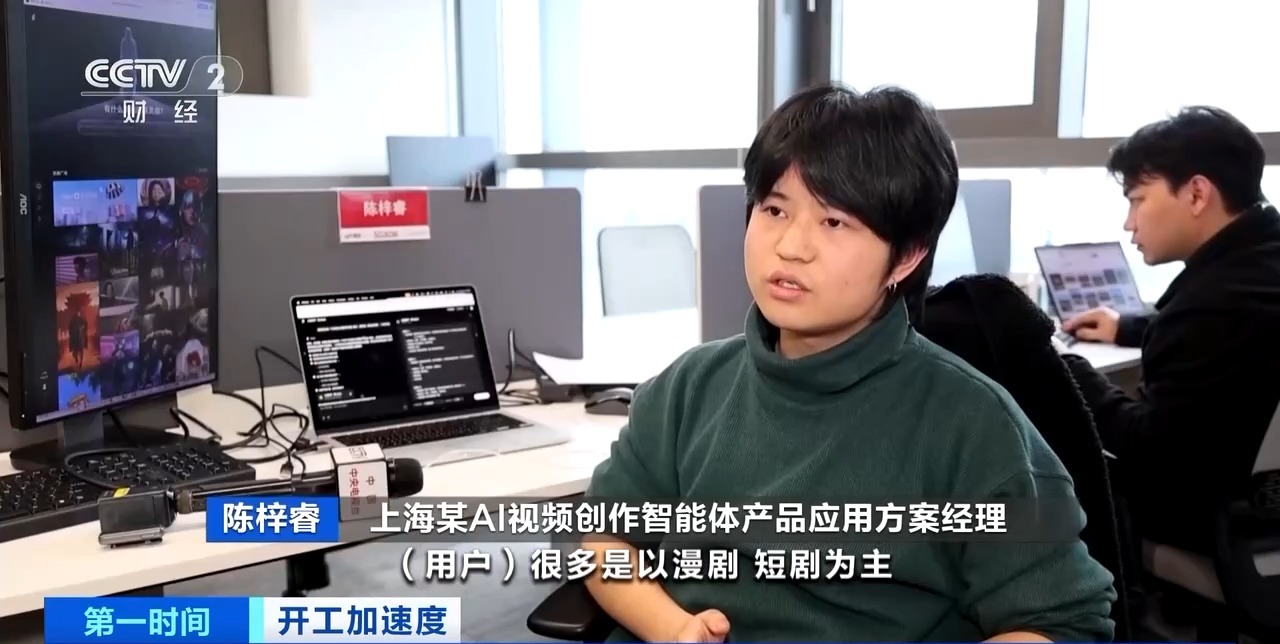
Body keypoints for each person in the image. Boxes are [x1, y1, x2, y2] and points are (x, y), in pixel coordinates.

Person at [582, 83, 1116, 643]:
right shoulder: (689, 387)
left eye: (833, 222)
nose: (791, 246)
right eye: (774, 210)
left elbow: (1062, 623)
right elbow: (601, 536)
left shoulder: (972, 424)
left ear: (906, 256)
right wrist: (673, 628)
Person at [1058, 106, 1280, 554]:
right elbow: (1222, 337)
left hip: (1210, 525)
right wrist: (1128, 328)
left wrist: (1069, 369)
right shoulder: (1257, 269)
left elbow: (1146, 449)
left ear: (1197, 194)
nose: (1129, 222)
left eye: (1137, 199)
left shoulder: (1212, 307)